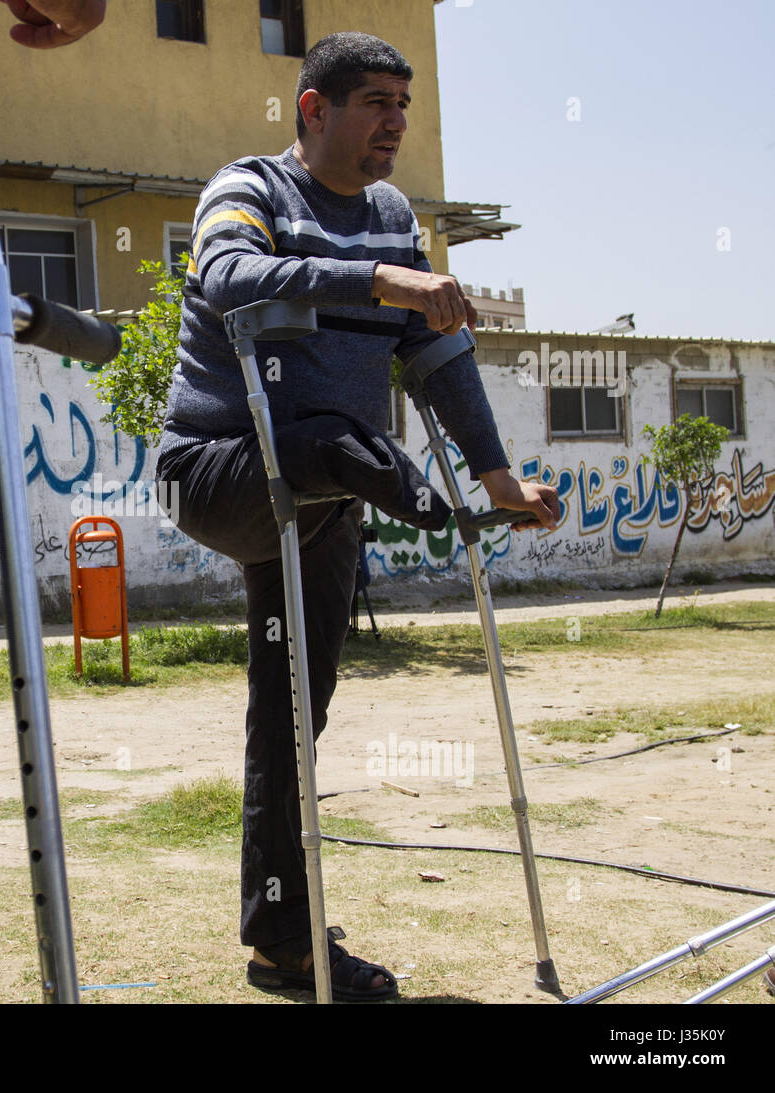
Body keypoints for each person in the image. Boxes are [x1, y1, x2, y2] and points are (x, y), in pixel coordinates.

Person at [156, 32, 560, 1001]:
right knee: (339, 438)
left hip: (331, 497)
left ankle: (281, 942)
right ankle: (429, 508)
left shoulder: (390, 216)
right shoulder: (248, 188)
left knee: (291, 718)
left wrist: (497, 473)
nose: (394, 124)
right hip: (221, 468)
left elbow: (436, 358)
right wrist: (378, 282)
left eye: (403, 106)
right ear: (313, 110)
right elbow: (223, 278)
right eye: (374, 102)